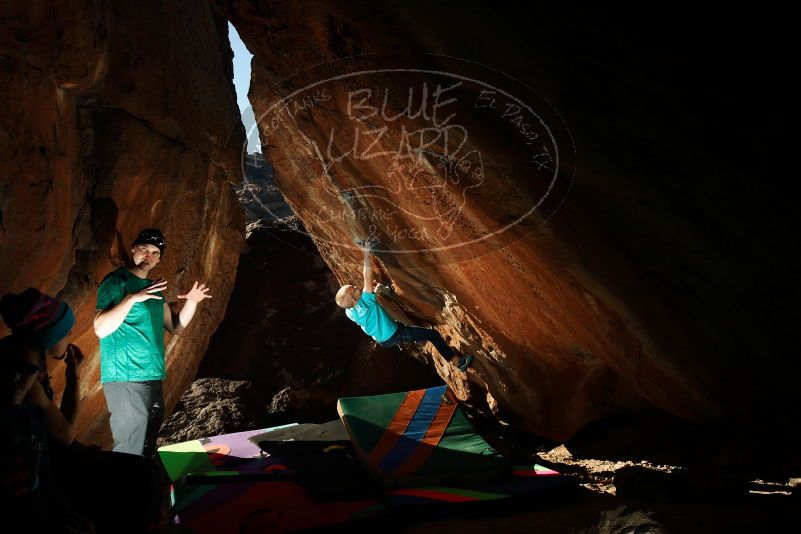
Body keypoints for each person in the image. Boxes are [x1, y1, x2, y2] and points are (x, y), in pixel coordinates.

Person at [1, 287, 163, 533]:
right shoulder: (27, 378)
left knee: (144, 475)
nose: (70, 336)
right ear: (49, 338)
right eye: (66, 332)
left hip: (49, 464)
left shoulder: (30, 365)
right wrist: (74, 379)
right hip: (51, 470)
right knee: (143, 480)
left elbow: (58, 429)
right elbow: (65, 434)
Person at [94, 228, 212, 457]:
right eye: (144, 249)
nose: (148, 255)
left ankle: (144, 490)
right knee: (129, 451)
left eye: (155, 253)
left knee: (146, 447)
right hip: (127, 377)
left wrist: (193, 302)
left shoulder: (155, 291)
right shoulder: (117, 281)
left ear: (159, 259)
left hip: (153, 376)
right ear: (133, 249)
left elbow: (175, 327)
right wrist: (131, 298)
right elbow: (101, 328)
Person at [335, 243, 474, 372]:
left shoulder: (350, 313)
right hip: (395, 333)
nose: (355, 286)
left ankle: (416, 337)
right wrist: (366, 253)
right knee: (433, 335)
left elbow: (357, 305)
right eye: (353, 289)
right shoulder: (366, 300)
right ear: (355, 299)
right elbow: (367, 276)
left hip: (384, 339)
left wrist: (374, 293)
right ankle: (459, 362)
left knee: (406, 330)